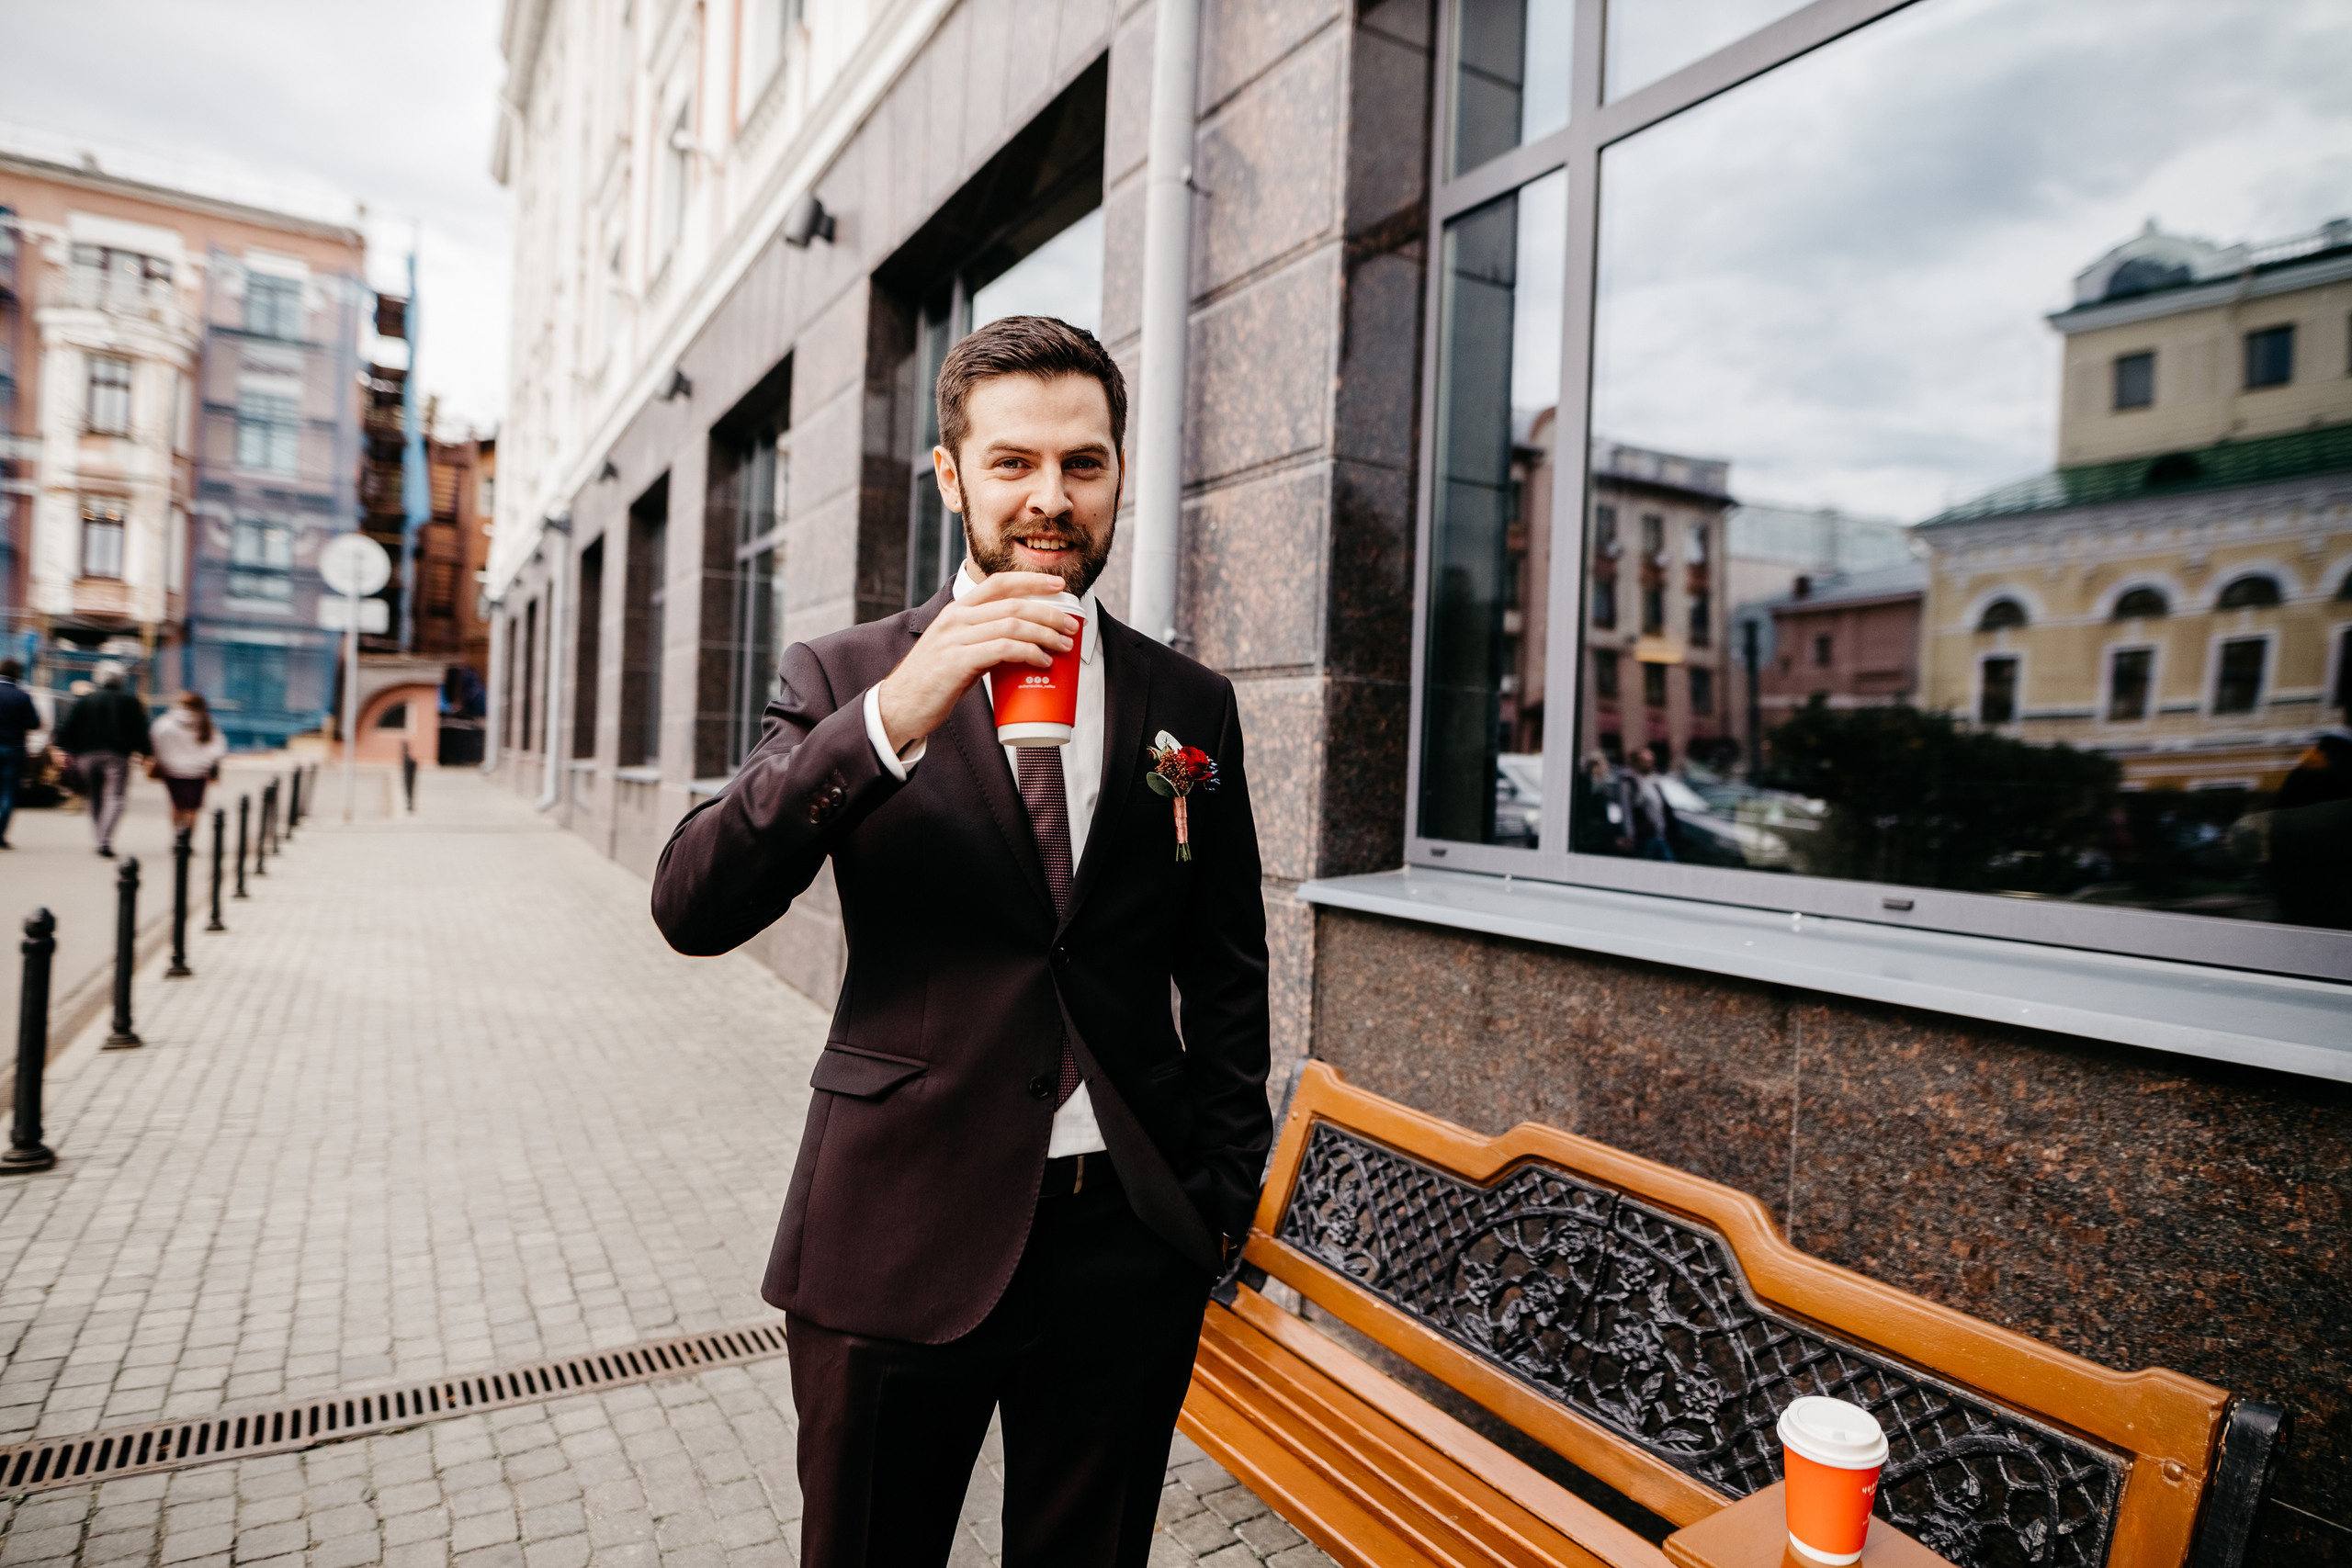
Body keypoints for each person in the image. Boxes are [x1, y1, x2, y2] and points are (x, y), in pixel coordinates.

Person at [653, 316, 1271, 1568]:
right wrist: (892, 718)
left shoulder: (1184, 704)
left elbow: (1227, 959)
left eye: (1084, 464)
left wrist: (1216, 1194)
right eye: (1014, 462)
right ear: (951, 476)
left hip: (1125, 1236)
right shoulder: (843, 674)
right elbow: (692, 900)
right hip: (898, 1225)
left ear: (1115, 476)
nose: (1052, 497)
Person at [51, 663, 151, 857]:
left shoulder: (86, 700)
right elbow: (140, 729)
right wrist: (146, 753)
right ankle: (104, 840)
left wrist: (61, 748)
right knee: (115, 798)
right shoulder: (130, 702)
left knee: (95, 797)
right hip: (118, 755)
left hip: (87, 755)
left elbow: (69, 725)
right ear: (121, 679)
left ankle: (100, 837)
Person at [149, 690, 229, 834]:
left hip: (172, 770)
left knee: (177, 805)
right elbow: (218, 749)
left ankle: (177, 837)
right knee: (192, 808)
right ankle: (187, 840)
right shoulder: (206, 724)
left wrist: (162, 760)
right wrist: (209, 765)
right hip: (198, 772)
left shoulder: (166, 722)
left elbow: (156, 742)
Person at [0, 658, 41, 850]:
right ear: (18, 674)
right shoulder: (22, 696)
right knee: (8, 791)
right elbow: (34, 723)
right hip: (13, 749)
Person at [1623, 745, 1677, 860]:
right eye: (1645, 761)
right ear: (1636, 762)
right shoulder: (1631, 781)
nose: (1650, 764)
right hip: (1645, 835)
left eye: (1651, 761)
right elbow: (1626, 809)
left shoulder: (1654, 781)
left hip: (1661, 834)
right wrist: (1629, 833)